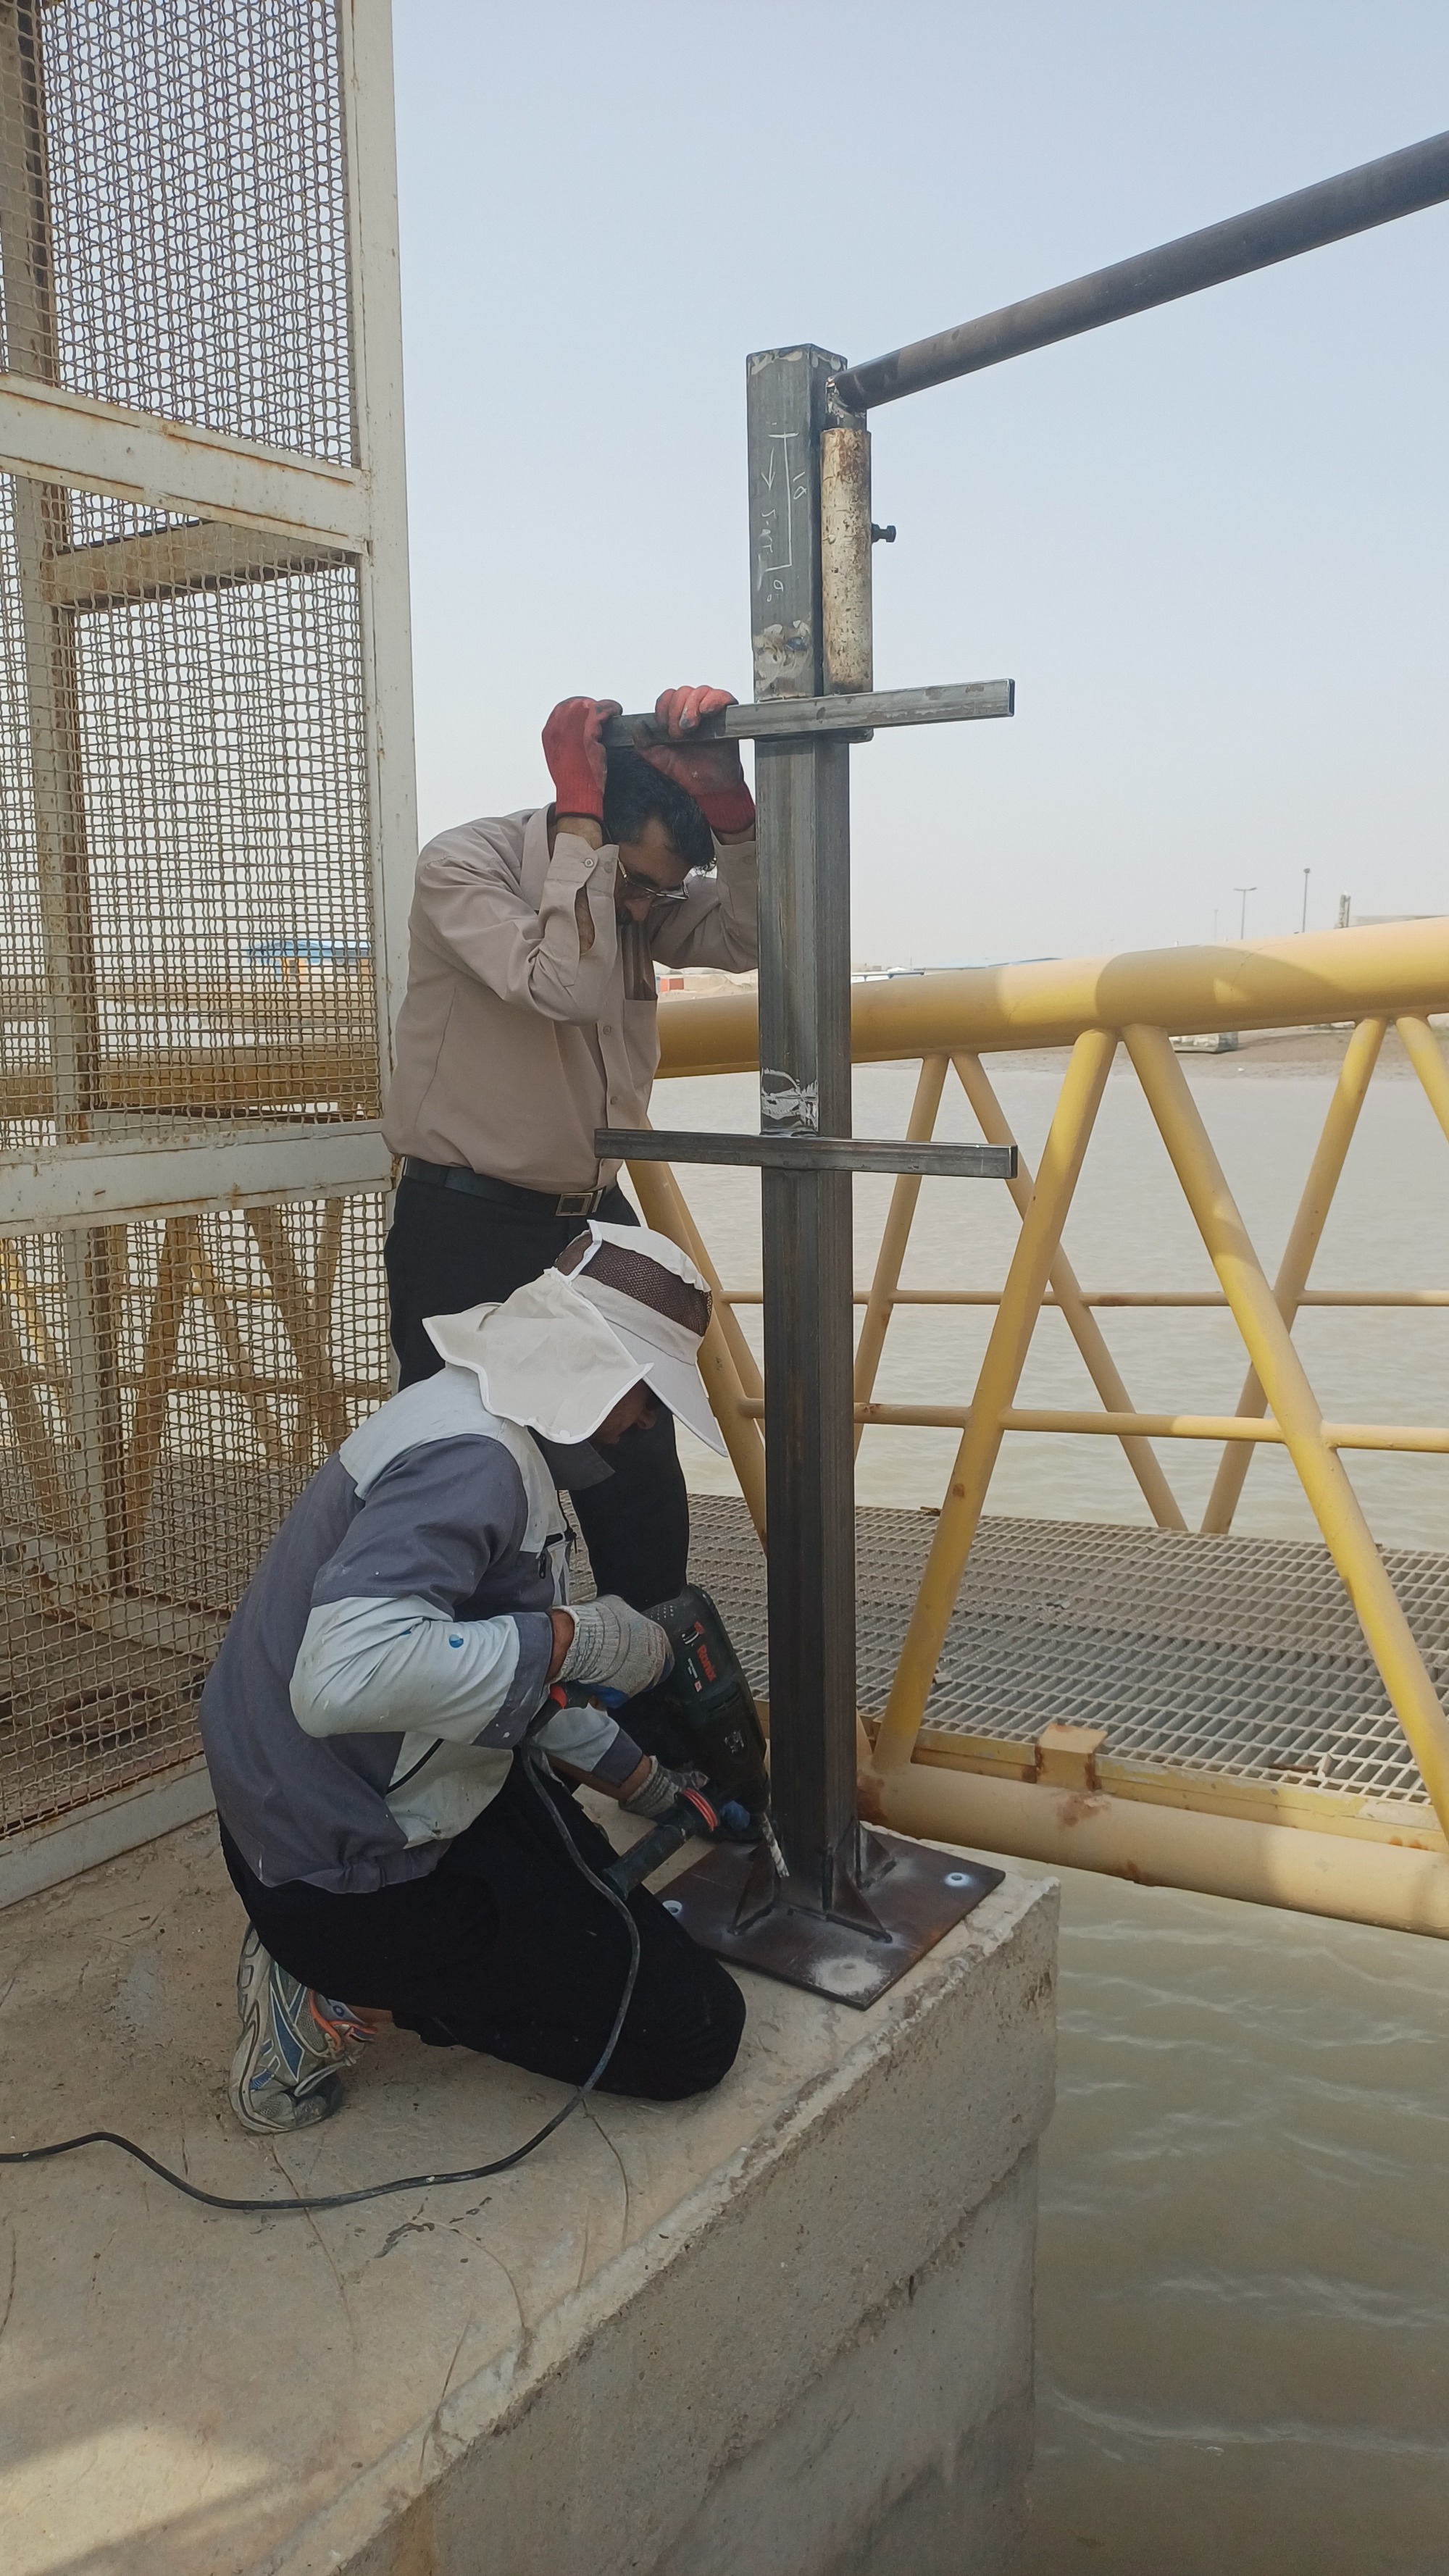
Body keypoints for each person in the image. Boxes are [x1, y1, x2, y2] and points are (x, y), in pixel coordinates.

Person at [199, 1222, 746, 2135]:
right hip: (337, 1870)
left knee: (597, 1902)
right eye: (647, 1393)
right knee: (692, 2033)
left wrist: (648, 1784)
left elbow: (502, 1677)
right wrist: (574, 1637)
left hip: (302, 1804)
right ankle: (323, 1991)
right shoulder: (474, 1462)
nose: (649, 1421)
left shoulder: (468, 1415)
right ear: (594, 1368)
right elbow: (341, 1676)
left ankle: (360, 1951)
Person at [382, 685, 757, 1618]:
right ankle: (484, 1700)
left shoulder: (636, 895)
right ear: (584, 826)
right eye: (634, 884)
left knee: (639, 1483)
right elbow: (562, 985)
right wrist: (583, 834)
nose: (641, 909)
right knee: (468, 1481)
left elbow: (753, 933)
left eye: (659, 893)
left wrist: (733, 817)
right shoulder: (462, 867)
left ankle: (653, 1689)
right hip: (466, 1222)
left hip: (589, 1225)